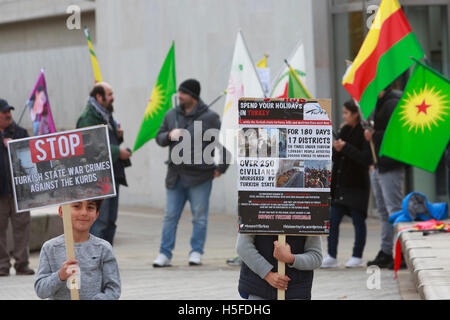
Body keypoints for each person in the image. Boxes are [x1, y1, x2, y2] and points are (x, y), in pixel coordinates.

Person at [153, 79, 230, 267]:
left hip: (201, 177)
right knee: (170, 216)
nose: (179, 96)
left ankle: (196, 252)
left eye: (183, 93)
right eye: (179, 92)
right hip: (175, 176)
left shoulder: (210, 117)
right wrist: (169, 135)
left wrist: (221, 168)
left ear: (193, 96)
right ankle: (164, 254)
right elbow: (159, 137)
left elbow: (225, 143)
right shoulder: (171, 115)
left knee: (199, 217)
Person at [76, 82, 132, 245]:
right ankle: (94, 261)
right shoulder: (88, 117)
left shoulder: (105, 114)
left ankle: (106, 259)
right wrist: (117, 152)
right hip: (99, 178)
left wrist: (118, 136)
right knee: (100, 222)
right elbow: (89, 147)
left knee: (110, 222)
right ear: (99, 97)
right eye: (109, 94)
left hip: (112, 174)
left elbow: (104, 140)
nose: (113, 98)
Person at [34, 200, 121, 300]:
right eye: (76, 206)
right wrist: (60, 276)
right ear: (62, 211)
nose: (84, 213)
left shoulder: (103, 248)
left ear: (97, 214)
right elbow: (41, 290)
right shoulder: (50, 248)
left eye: (90, 207)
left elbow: (113, 289)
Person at [321, 100, 372, 268]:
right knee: (333, 220)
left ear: (355, 113)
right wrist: (336, 149)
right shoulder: (344, 130)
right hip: (340, 186)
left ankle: (357, 256)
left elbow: (365, 158)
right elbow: (336, 158)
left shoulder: (363, 132)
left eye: (346, 113)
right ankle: (331, 255)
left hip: (356, 185)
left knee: (358, 221)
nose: (344, 116)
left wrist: (346, 147)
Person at [364, 85, 405, 268]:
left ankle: (401, 252)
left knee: (394, 211)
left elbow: (396, 133)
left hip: (391, 164)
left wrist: (374, 135)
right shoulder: (381, 103)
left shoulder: (392, 102)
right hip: (380, 164)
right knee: (384, 212)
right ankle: (387, 251)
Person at [0, 98, 35, 277]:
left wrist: (14, 145)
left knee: (22, 228)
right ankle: (2, 266)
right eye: (4, 112)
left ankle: (22, 264)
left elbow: (30, 158)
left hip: (19, 191)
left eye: (9, 111)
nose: (8, 115)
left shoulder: (20, 132)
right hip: (0, 193)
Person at [236, 234, 322, 300]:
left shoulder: (310, 212)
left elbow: (316, 257)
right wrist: (267, 274)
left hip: (296, 289)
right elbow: (243, 247)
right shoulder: (253, 211)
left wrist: (291, 258)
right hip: (258, 288)